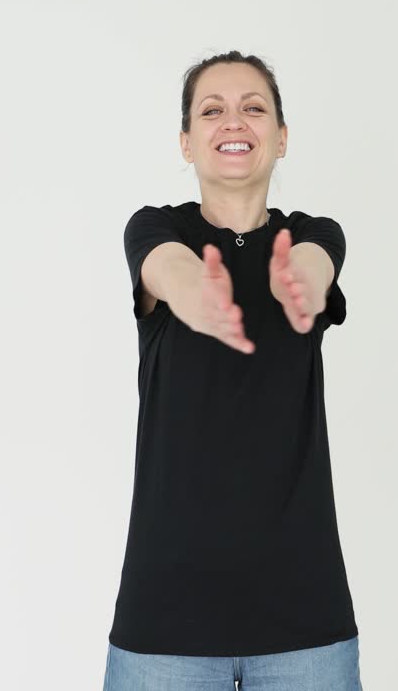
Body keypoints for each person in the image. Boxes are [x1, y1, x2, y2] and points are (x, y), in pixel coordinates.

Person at [103, 51, 363, 691]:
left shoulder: (311, 236)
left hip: (308, 624)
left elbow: (316, 258)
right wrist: (197, 292)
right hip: (163, 627)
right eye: (211, 110)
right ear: (187, 142)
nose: (233, 121)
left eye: (253, 107)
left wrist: (301, 278)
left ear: (280, 136)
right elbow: (166, 266)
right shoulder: (158, 230)